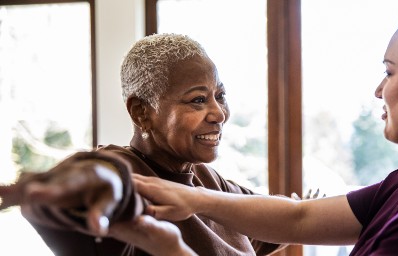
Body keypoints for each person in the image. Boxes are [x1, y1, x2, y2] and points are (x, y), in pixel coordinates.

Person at [117, 2, 398, 256]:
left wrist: (171, 250)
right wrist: (189, 197)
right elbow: (299, 217)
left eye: (389, 71)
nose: (378, 89)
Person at [0, 33, 286, 256]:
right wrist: (103, 179)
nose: (219, 113)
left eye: (220, 95)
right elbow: (111, 181)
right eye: (198, 100)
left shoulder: (209, 179)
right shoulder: (127, 173)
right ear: (141, 112)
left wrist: (297, 206)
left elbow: (277, 223)